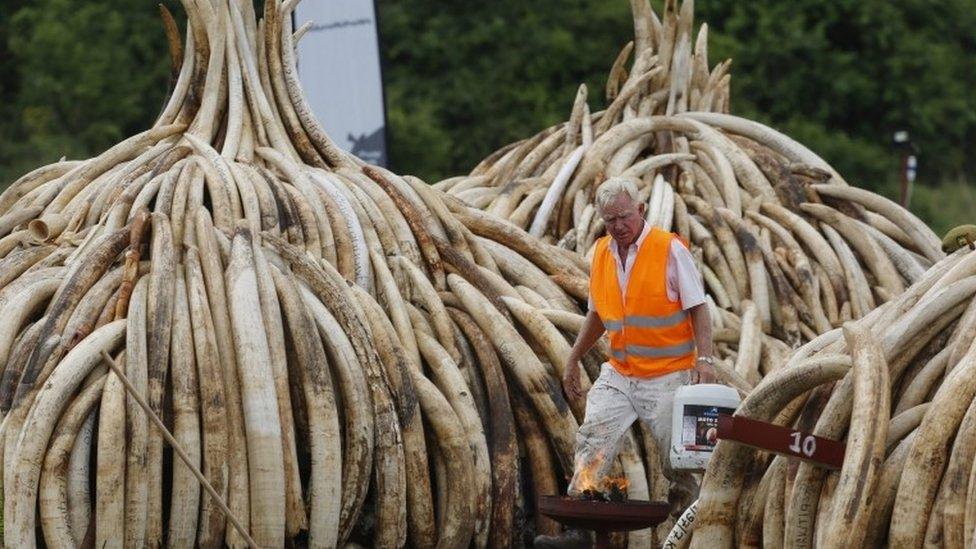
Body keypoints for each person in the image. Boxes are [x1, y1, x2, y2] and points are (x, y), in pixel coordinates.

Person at [534, 176, 716, 548]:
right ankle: (579, 530)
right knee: (592, 439)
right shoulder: (601, 252)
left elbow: (699, 307)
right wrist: (572, 359)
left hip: (667, 376)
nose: (618, 226)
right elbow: (598, 314)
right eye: (609, 220)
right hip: (619, 373)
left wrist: (706, 359)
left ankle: (693, 530)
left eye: (624, 217)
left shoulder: (669, 249)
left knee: (677, 460)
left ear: (641, 211)